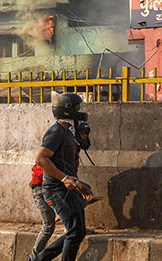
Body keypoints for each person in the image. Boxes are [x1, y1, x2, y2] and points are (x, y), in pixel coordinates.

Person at [30, 92, 92, 261]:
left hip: (64, 189)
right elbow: (41, 158)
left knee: (77, 231)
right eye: (78, 108)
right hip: (56, 189)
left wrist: (75, 182)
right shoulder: (56, 131)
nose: (80, 111)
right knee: (74, 232)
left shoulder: (67, 133)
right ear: (68, 110)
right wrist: (64, 178)